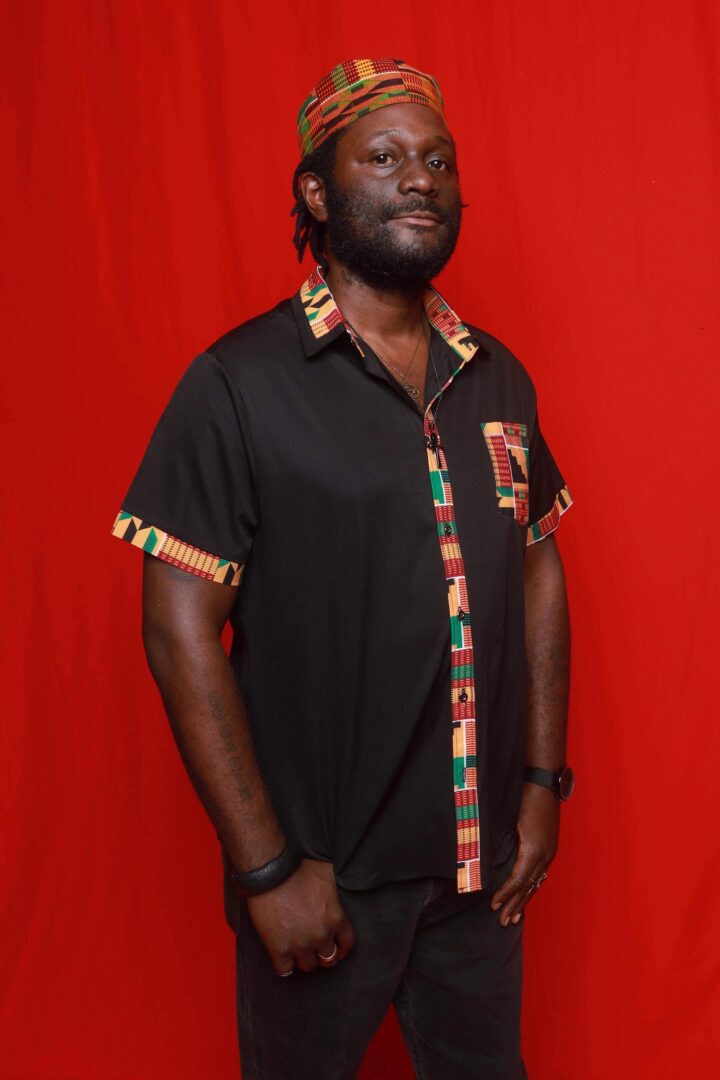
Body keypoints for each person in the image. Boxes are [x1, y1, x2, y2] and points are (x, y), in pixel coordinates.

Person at [112, 58, 575, 1079]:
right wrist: (266, 868)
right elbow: (178, 628)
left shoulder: (498, 377)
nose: (420, 178)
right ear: (317, 194)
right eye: (385, 157)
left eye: (439, 160)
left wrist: (544, 782)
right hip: (324, 880)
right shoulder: (237, 384)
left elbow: (537, 568)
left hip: (478, 868)